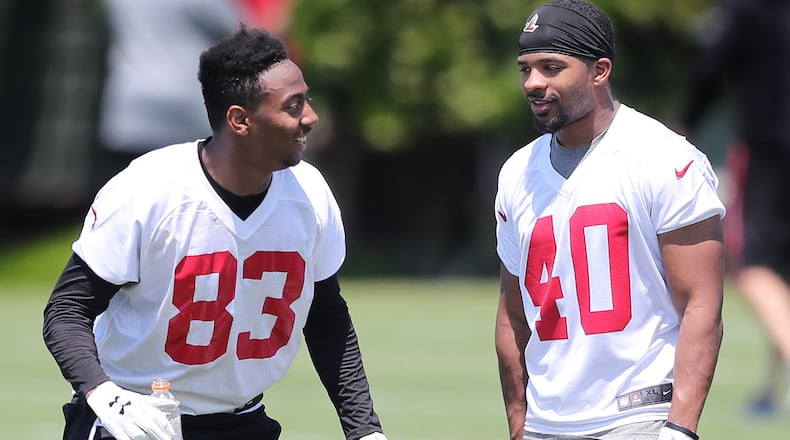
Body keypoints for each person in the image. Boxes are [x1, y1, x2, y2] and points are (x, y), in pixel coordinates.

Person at [43, 26, 386, 440]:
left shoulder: (310, 194)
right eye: (293, 105)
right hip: (136, 418)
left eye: (306, 100)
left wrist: (364, 430)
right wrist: (103, 394)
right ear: (240, 120)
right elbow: (66, 310)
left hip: (242, 421)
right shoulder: (149, 191)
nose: (310, 117)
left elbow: (326, 315)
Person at [493, 1, 725, 439]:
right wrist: (520, 425)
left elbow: (701, 303)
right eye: (525, 68)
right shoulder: (515, 173)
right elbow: (513, 316)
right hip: (547, 422)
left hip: (637, 415)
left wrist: (680, 428)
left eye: (551, 67)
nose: (533, 83)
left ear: (599, 71)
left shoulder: (664, 158)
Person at [679, 0, 790, 415]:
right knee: (780, 274)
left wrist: (682, 127)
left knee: (754, 267)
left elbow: (710, 70)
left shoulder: (746, 10)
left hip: (769, 150)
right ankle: (769, 389)